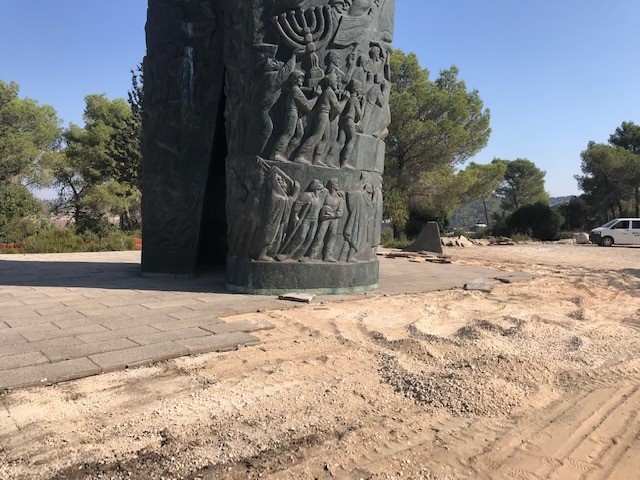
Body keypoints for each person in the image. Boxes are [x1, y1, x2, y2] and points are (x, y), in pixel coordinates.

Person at [272, 71, 317, 162]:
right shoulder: (296, 90)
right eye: (301, 78)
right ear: (295, 79)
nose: (303, 80)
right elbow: (308, 106)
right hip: (292, 114)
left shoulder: (296, 89)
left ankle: (286, 155)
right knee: (288, 133)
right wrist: (316, 96)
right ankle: (275, 153)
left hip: (297, 115)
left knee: (299, 134)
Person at [308, 178, 346, 262]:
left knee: (331, 237)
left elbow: (340, 213)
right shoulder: (326, 193)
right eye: (336, 183)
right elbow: (320, 203)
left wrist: (332, 215)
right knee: (319, 236)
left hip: (333, 220)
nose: (338, 185)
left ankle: (327, 256)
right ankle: (311, 255)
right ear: (332, 185)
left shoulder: (340, 198)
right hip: (324, 219)